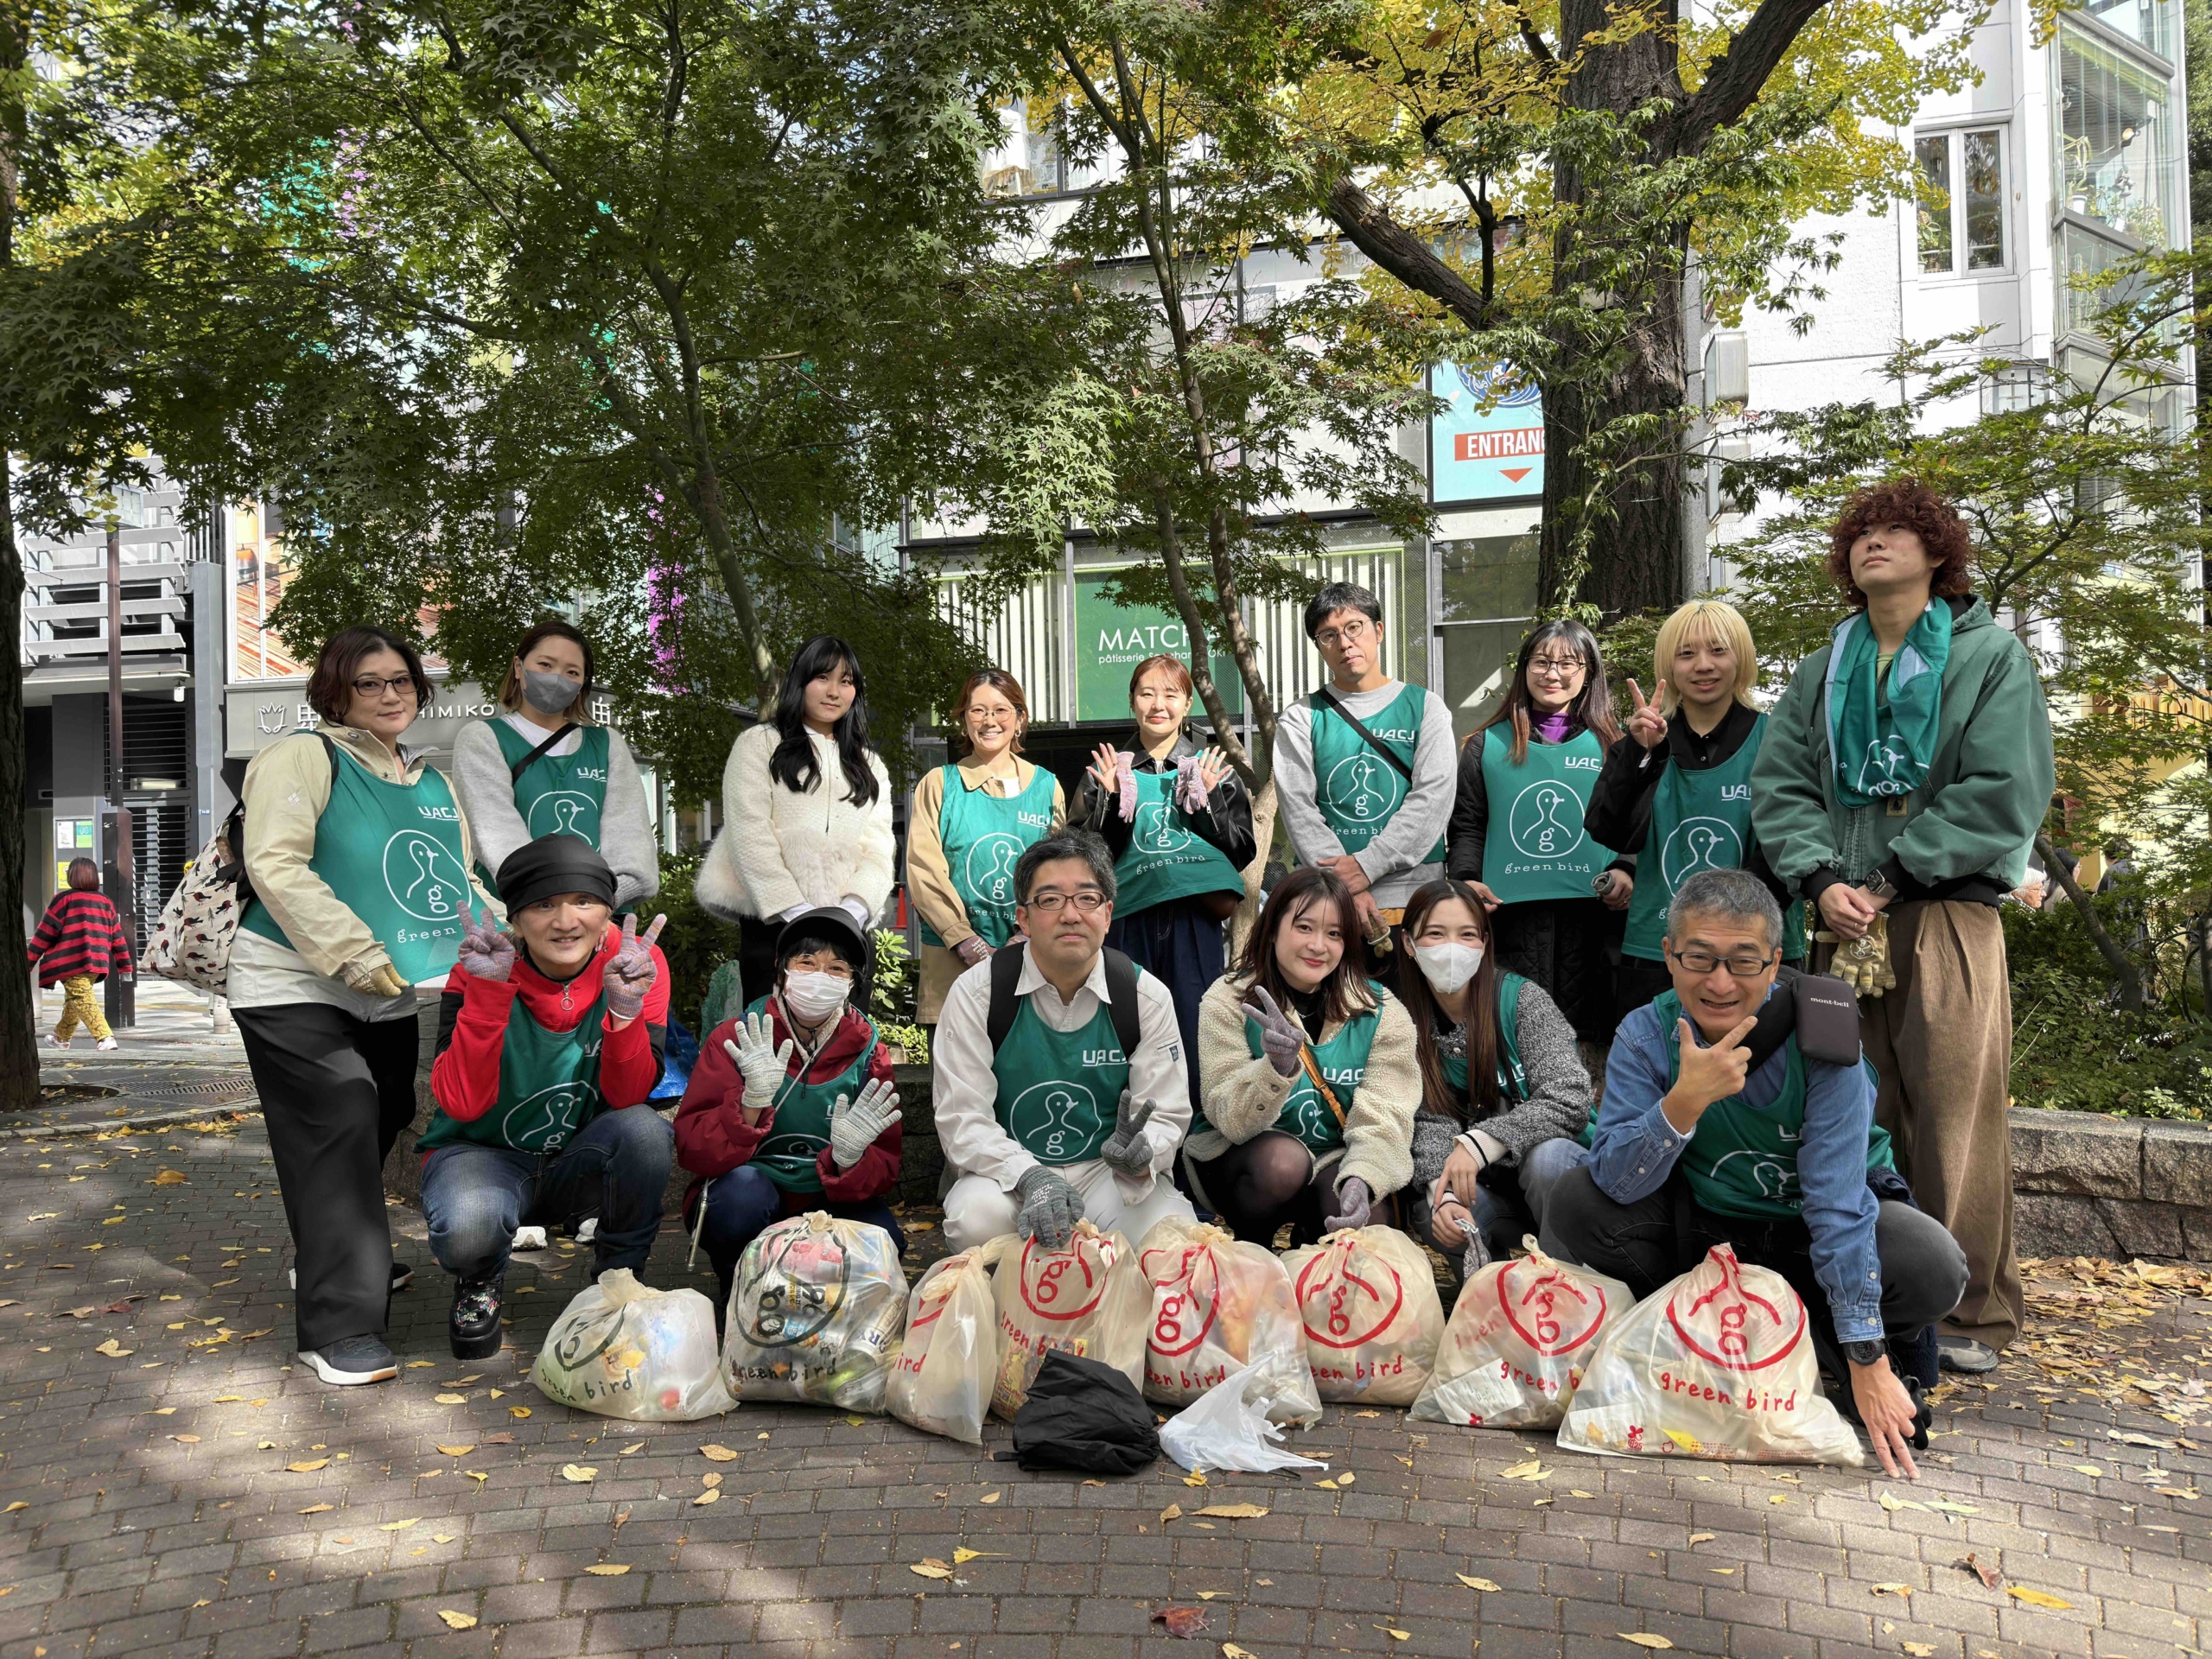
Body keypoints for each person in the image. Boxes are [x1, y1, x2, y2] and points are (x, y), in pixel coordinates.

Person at [1751, 480, 2053, 1372]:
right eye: (1861, 534)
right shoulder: (1823, 668)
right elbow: (1782, 785)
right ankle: (1861, 1293)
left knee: (1954, 1111)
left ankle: (1965, 1309)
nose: (1873, 544)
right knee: (1850, 1108)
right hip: (1838, 923)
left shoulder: (1989, 656)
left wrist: (1884, 875)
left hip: (1945, 916)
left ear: (1937, 553)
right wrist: (1816, 878)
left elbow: (2001, 789)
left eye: (1896, 532)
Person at [1541, 868, 1968, 1481]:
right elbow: (1614, 1182)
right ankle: (1699, 1333)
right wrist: (1684, 1101)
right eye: (1699, 958)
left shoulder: (1823, 1036)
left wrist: (1867, 1354)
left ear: (1774, 963)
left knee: (1931, 1263)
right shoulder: (1646, 1032)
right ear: (1669, 956)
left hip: (1807, 1235)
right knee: (1576, 1202)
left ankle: (1827, 1342)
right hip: (1705, 1238)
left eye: (1743, 962)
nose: (1719, 982)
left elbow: (1838, 1203)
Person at [230, 625, 500, 1387]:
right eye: (370, 683)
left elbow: (459, 882)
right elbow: (274, 863)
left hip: (387, 993)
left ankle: (330, 1254)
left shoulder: (431, 782)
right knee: (343, 1111)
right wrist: (353, 951)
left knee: (380, 1112)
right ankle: (339, 1324)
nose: (390, 694)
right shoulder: (302, 757)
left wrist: (525, 938)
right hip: (293, 980)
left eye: (402, 681)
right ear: (336, 693)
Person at [420, 838, 672, 1357]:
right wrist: (487, 994)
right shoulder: (482, 965)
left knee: (646, 1131)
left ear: (608, 912)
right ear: (515, 919)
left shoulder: (636, 963)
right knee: (467, 1226)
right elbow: (461, 1103)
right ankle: (480, 1278)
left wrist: (624, 1010)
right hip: (482, 1153)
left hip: (581, 1153)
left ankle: (618, 1284)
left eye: (583, 901)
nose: (564, 921)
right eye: (542, 904)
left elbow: (628, 1095)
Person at [933, 831, 1196, 1253]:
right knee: (974, 1221)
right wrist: (1032, 1176)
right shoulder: (977, 993)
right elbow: (963, 1117)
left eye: (1087, 899)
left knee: (1172, 1237)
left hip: (1106, 1173)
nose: (1071, 915)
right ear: (1023, 918)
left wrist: (1144, 1152)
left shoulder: (1143, 996)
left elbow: (1165, 1112)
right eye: (1050, 900)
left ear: (1108, 915)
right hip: (1011, 1174)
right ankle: (1008, 1314)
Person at [674, 906, 904, 1313]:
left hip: (829, 1195)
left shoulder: (870, 1052)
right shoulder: (737, 1037)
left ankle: (836, 1311)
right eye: (807, 963)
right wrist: (748, 1105)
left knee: (886, 1240)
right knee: (738, 1201)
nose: (820, 978)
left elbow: (885, 1165)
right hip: (756, 1192)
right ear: (782, 971)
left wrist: (849, 1159)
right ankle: (738, 1289)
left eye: (837, 969)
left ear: (852, 983)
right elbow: (693, 1149)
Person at [1584, 601, 1802, 1027]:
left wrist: (1731, 926)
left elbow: (1793, 842)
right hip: (1660, 947)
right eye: (1686, 654)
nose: (1703, 665)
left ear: (1741, 658)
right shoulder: (1642, 742)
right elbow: (1607, 830)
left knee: (1765, 1080)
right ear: (1669, 664)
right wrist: (1641, 759)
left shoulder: (1777, 738)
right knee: (1660, 1077)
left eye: (1718, 651)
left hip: (1757, 952)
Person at [1188, 866, 1419, 1249]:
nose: (1318, 946)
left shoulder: (1380, 1011)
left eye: (1334, 934)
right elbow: (1226, 1116)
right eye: (1304, 927)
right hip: (1246, 1160)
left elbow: (1387, 1116)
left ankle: (1310, 1253)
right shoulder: (1229, 999)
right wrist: (1275, 1070)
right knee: (1282, 1163)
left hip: (1334, 1156)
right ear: (1274, 927)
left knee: (1364, 1225)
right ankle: (1253, 1251)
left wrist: (1363, 1177)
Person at [1446, 620, 1632, 1068]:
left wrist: (1628, 867)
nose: (1553, 673)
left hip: (1594, 920)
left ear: (1589, 672)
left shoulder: (1615, 745)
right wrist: (1467, 880)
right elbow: (1468, 823)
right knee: (1516, 1034)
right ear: (1524, 669)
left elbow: (1636, 821)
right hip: (1510, 919)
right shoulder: (1483, 745)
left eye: (1568, 663)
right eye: (1542, 661)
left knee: (1590, 1046)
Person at [1074, 654, 1255, 1094]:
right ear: (1133, 701)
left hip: (1194, 920)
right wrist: (1112, 803)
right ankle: (1126, 1134)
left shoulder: (1211, 769)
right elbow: (1082, 859)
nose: (1159, 704)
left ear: (1187, 702)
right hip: (1126, 919)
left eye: (1171, 694)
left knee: (1195, 1028)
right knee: (1125, 1026)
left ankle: (1193, 1139)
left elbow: (1240, 851)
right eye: (1147, 693)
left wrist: (1210, 800)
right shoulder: (1105, 772)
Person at [1395, 877, 1592, 1279]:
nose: (1452, 948)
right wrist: (1443, 1195)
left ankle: (1566, 1288)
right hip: (1485, 1191)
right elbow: (1425, 1120)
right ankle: (1492, 1301)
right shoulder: (1403, 1022)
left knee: (1548, 1159)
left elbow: (1570, 1095)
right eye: (1435, 934)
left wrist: (1483, 1142)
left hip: (1561, 1187)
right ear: (1409, 945)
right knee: (1432, 1210)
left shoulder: (1520, 1001)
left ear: (1485, 944)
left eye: (1467, 934)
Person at [698, 635, 895, 1009]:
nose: (834, 691)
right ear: (800, 681)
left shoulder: (870, 764)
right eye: (823, 677)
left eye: (847, 681)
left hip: (847, 932)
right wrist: (797, 914)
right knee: (770, 1048)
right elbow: (749, 833)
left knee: (844, 1049)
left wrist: (850, 913)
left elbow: (880, 848)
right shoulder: (758, 744)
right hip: (771, 926)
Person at [1274, 582, 1456, 951]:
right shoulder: (1300, 718)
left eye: (1354, 627)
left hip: (1418, 899)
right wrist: (1343, 885)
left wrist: (1368, 866)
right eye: (1328, 635)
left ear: (1379, 630)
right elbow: (1299, 811)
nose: (1344, 643)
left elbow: (1433, 798)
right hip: (1331, 908)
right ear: (1319, 646)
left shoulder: (1425, 707)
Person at [451, 618, 660, 908]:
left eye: (571, 672)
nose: (557, 677)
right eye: (545, 665)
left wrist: (599, 902)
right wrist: (550, 903)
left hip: (603, 914)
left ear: (581, 685)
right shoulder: (483, 739)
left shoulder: (606, 743)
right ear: (518, 667)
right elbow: (496, 834)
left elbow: (630, 836)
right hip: (519, 914)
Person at [906, 669, 1065, 1025]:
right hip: (951, 963)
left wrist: (1024, 935)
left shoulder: (1047, 787)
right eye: (977, 711)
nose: (989, 721)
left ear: (1020, 719)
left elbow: (1055, 874)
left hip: (1029, 959)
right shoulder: (939, 784)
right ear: (964, 721)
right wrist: (964, 940)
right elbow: (923, 870)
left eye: (1001, 710)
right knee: (954, 1077)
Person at [28, 858, 131, 1051]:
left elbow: (45, 933)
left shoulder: (64, 900)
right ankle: (61, 1038)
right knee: (74, 999)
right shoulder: (105, 902)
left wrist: (28, 961)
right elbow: (117, 937)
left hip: (71, 961)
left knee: (82, 998)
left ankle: (105, 1036)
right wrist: (125, 966)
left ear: (72, 876)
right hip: (97, 964)